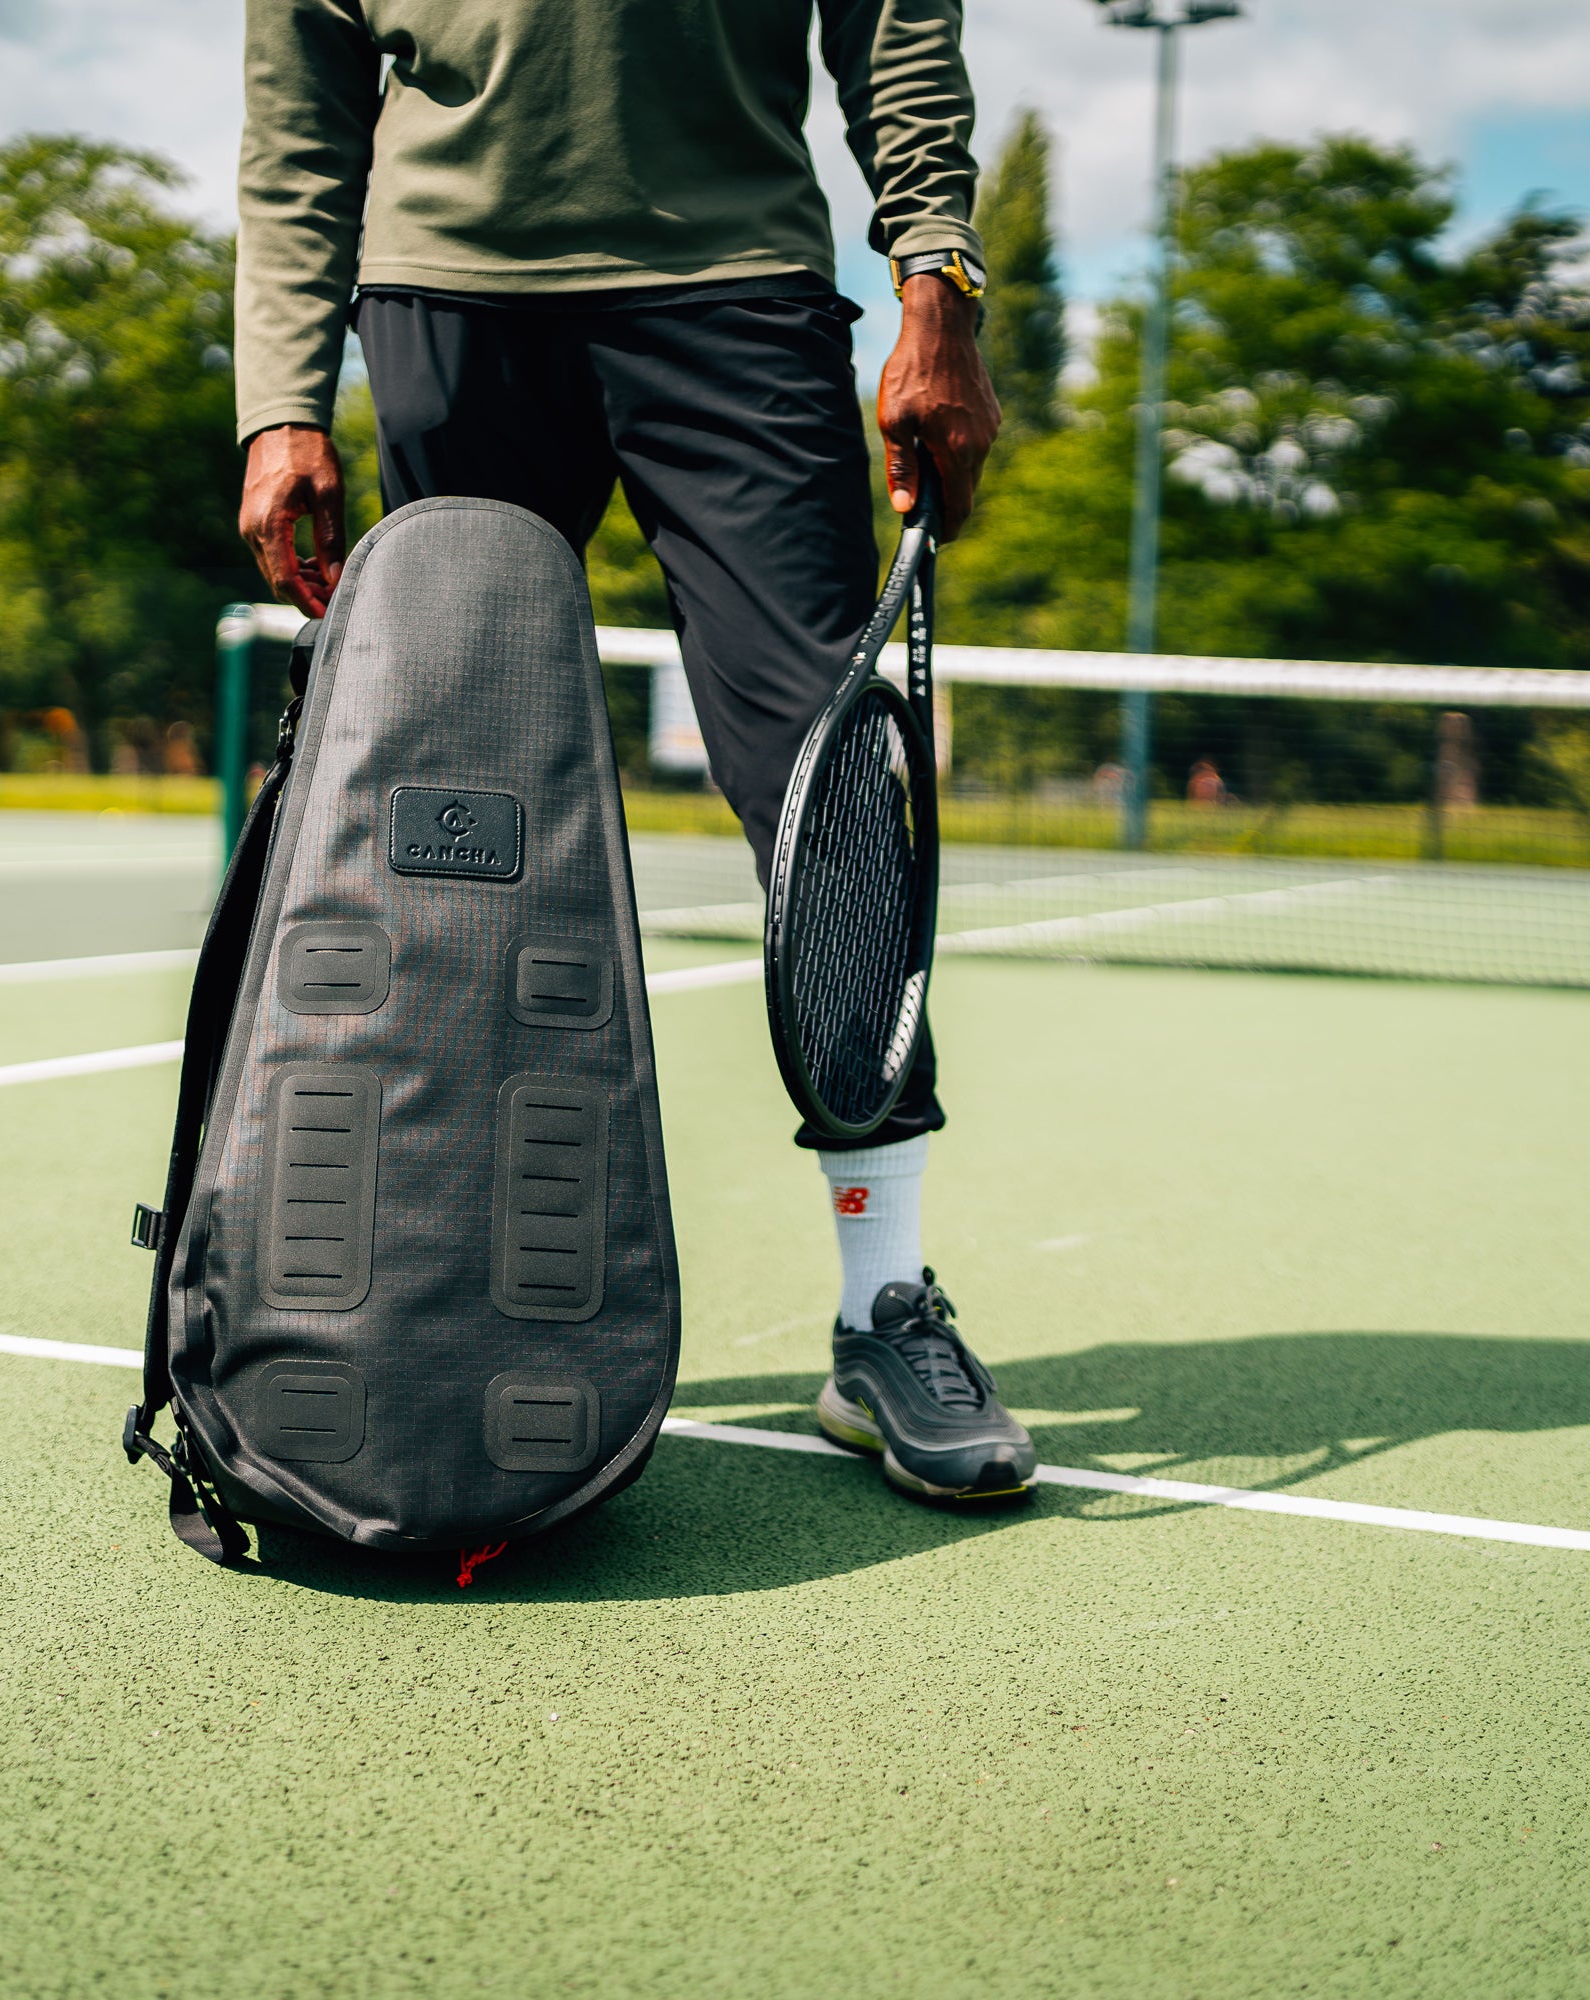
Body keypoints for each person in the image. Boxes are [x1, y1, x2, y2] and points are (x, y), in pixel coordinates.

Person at [234, 0, 1035, 1502]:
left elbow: (897, 21)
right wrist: (280, 403)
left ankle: (884, 1312)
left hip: (736, 287)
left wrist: (939, 274)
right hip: (445, 299)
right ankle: (436, 1304)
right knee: (447, 821)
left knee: (834, 801)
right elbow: (296, 126)